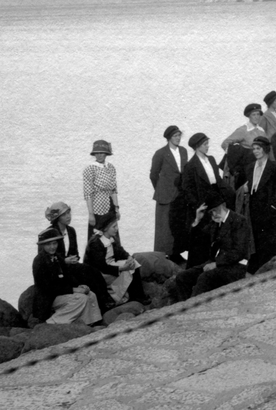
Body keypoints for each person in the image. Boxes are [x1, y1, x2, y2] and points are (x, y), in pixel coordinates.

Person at [173, 190, 252, 298]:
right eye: (211, 212)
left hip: (235, 267)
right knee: (182, 277)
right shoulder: (214, 222)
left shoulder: (239, 221)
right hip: (215, 265)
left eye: (216, 210)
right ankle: (186, 309)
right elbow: (197, 239)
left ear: (223, 206)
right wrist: (197, 219)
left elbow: (239, 252)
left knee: (204, 277)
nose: (214, 215)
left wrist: (216, 264)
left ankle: (195, 309)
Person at [43, 201, 113, 314]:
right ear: (57, 218)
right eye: (64, 215)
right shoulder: (51, 232)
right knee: (86, 276)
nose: (68, 216)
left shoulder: (71, 231)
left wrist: (74, 258)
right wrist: (64, 260)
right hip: (59, 268)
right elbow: (46, 257)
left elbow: (74, 250)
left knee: (94, 271)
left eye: (69, 213)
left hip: (72, 265)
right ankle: (102, 304)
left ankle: (105, 299)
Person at [33, 226, 103, 326]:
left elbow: (68, 276)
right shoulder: (39, 261)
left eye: (54, 243)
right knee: (80, 298)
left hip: (60, 293)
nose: (52, 247)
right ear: (42, 246)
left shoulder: (58, 257)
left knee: (90, 294)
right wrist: (73, 290)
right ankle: (52, 323)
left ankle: (89, 322)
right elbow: (47, 288)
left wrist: (79, 286)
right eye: (48, 244)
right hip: (49, 298)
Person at [85, 218, 149, 306]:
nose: (116, 229)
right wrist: (121, 268)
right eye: (114, 227)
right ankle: (122, 296)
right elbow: (101, 266)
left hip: (110, 264)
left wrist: (129, 257)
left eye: (116, 226)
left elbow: (120, 251)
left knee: (134, 264)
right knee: (127, 270)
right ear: (105, 229)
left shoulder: (111, 239)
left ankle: (138, 295)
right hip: (101, 271)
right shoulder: (96, 243)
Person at [246, 135, 276, 272]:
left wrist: (274, 206)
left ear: (265, 149)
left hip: (270, 212)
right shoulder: (250, 167)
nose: (255, 151)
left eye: (258, 148)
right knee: (257, 242)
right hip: (254, 211)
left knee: (271, 244)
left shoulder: (275, 167)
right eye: (254, 149)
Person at [150, 125, 190, 259]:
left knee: (178, 223)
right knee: (165, 226)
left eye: (179, 135)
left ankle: (176, 253)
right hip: (165, 195)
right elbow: (153, 174)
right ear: (168, 138)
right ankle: (165, 255)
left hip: (180, 194)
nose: (178, 138)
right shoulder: (160, 153)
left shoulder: (183, 151)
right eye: (175, 136)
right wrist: (161, 189)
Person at [221, 103, 267, 190]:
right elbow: (225, 143)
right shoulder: (243, 130)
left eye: (258, 114)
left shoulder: (262, 131)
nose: (256, 117)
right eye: (254, 114)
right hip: (246, 168)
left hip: (260, 166)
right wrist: (234, 156)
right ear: (249, 116)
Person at [83, 140, 120, 233]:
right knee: (98, 235)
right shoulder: (90, 169)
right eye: (97, 153)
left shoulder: (111, 167)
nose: (99, 155)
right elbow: (88, 194)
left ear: (106, 154)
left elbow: (114, 190)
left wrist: (116, 209)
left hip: (110, 207)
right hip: (97, 208)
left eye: (102, 153)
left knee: (112, 234)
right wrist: (91, 214)